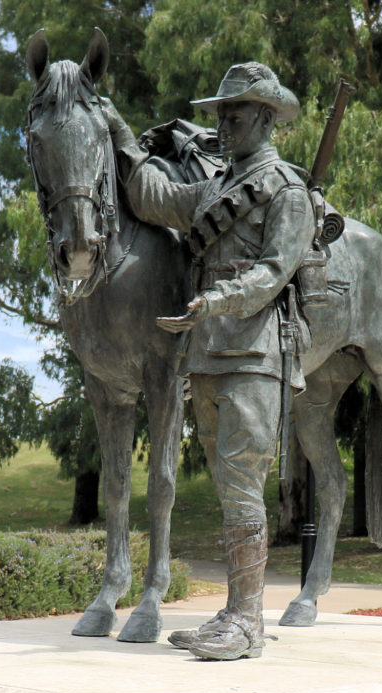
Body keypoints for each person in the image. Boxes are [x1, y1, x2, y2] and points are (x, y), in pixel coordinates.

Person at [105, 63, 315, 660]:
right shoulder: (213, 188)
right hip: (209, 357)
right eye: (219, 113)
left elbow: (275, 271)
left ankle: (248, 623)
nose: (221, 124)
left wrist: (216, 299)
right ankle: (233, 613)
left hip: (254, 354)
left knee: (245, 481)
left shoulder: (287, 191)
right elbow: (153, 197)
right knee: (228, 488)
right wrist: (118, 128)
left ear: (268, 119)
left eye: (236, 113)